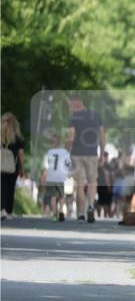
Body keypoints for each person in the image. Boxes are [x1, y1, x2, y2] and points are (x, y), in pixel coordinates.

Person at [66, 95, 105, 223]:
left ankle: (81, 214)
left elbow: (71, 137)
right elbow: (102, 136)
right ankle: (91, 206)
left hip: (77, 154)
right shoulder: (96, 115)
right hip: (92, 154)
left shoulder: (74, 118)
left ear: (77, 102)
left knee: (80, 184)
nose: (69, 107)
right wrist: (102, 153)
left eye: (70, 104)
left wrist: (66, 150)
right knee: (92, 182)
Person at [40, 131, 72, 221]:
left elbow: (46, 166)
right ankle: (61, 211)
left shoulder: (49, 152)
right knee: (61, 195)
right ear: (60, 142)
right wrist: (68, 172)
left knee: (53, 197)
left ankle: (54, 214)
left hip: (51, 177)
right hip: (60, 176)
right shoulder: (64, 152)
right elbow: (68, 163)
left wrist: (44, 178)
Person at [1, 113, 26, 220]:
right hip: (13, 166)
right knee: (10, 188)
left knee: (2, 187)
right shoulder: (18, 137)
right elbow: (20, 154)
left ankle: (1, 210)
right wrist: (22, 169)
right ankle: (8, 211)